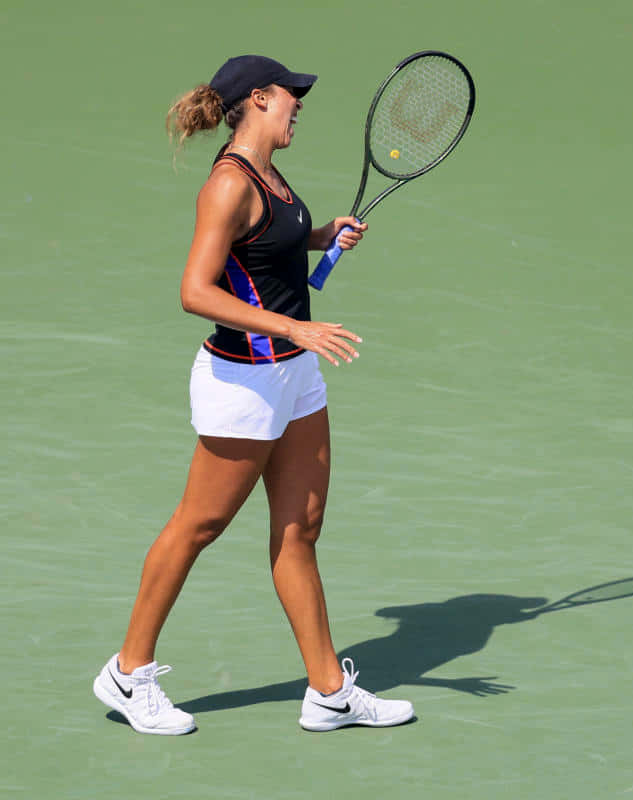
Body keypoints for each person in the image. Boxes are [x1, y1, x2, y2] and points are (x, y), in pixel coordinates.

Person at [92, 55, 414, 735]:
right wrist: (295, 323)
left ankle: (328, 691)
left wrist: (324, 236)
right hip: (244, 382)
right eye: (292, 95)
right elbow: (196, 291)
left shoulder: (270, 172)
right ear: (259, 99)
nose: (300, 103)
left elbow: (266, 255)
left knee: (300, 530)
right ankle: (127, 673)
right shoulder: (229, 185)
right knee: (199, 525)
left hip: (296, 376)